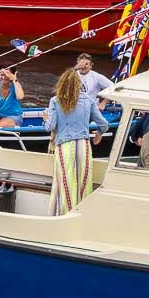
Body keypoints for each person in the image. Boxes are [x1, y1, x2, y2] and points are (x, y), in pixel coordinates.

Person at [44, 69, 108, 215]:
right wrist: (99, 134)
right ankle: (81, 215)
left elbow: (51, 127)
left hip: (64, 147)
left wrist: (45, 118)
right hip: (83, 147)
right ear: (79, 84)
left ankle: (64, 216)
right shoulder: (88, 100)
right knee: (82, 184)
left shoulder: (55, 101)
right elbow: (104, 124)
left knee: (66, 184)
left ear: (61, 84)